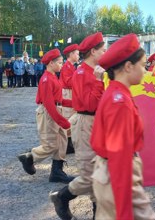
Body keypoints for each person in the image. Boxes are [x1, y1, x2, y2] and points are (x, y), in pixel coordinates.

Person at [90, 33, 155, 220]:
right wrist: (124, 213)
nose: (145, 71)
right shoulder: (119, 101)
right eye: (143, 65)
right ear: (128, 66)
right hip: (117, 178)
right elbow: (119, 157)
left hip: (108, 175)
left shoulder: (116, 92)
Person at [50, 32, 105, 220]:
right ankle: (62, 197)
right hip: (85, 122)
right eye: (103, 50)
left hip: (96, 122)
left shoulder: (93, 70)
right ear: (93, 51)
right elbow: (89, 104)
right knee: (91, 176)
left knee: (100, 174)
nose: (105, 53)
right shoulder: (82, 73)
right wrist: (99, 82)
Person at [17, 49, 74, 183]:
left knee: (61, 142)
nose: (61, 65)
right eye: (59, 63)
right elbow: (49, 104)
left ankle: (57, 172)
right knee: (50, 144)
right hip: (49, 113)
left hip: (55, 110)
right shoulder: (46, 79)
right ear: (51, 63)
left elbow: (59, 99)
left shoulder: (53, 76)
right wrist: (62, 121)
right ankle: (29, 157)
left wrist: (75, 104)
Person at [60, 44, 80, 154]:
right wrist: (79, 74)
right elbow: (69, 82)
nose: (78, 56)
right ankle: (65, 143)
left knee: (72, 116)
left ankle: (69, 143)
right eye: (77, 54)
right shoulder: (67, 66)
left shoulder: (71, 66)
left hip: (70, 92)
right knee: (68, 117)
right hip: (67, 92)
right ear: (71, 54)